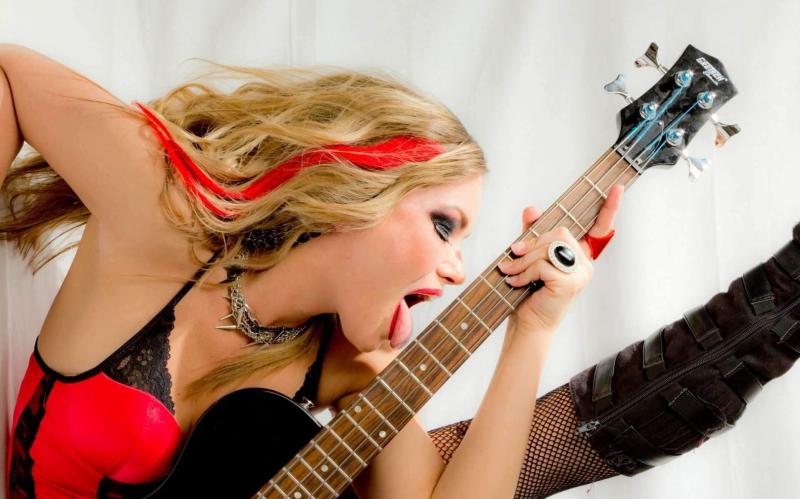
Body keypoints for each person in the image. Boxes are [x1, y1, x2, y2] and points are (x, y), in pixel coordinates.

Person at [2, 43, 800, 499]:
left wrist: (532, 329)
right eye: (444, 225)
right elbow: (9, 73)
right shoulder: (165, 213)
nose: (457, 268)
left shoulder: (348, 363)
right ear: (355, 187)